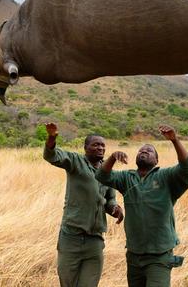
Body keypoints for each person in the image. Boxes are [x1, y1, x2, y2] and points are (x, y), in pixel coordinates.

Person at [95, 125, 188, 287]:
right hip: (134, 254)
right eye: (141, 150)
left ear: (156, 161)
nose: (144, 151)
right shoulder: (126, 178)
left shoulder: (166, 176)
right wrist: (113, 157)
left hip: (159, 256)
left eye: (149, 151)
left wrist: (174, 140)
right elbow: (101, 175)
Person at [43, 122, 124, 287]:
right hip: (71, 237)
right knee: (68, 283)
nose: (100, 148)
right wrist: (51, 138)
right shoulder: (75, 161)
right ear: (86, 147)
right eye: (96, 145)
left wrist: (115, 208)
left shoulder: (108, 172)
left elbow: (109, 199)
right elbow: (52, 156)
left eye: (103, 145)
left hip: (94, 240)